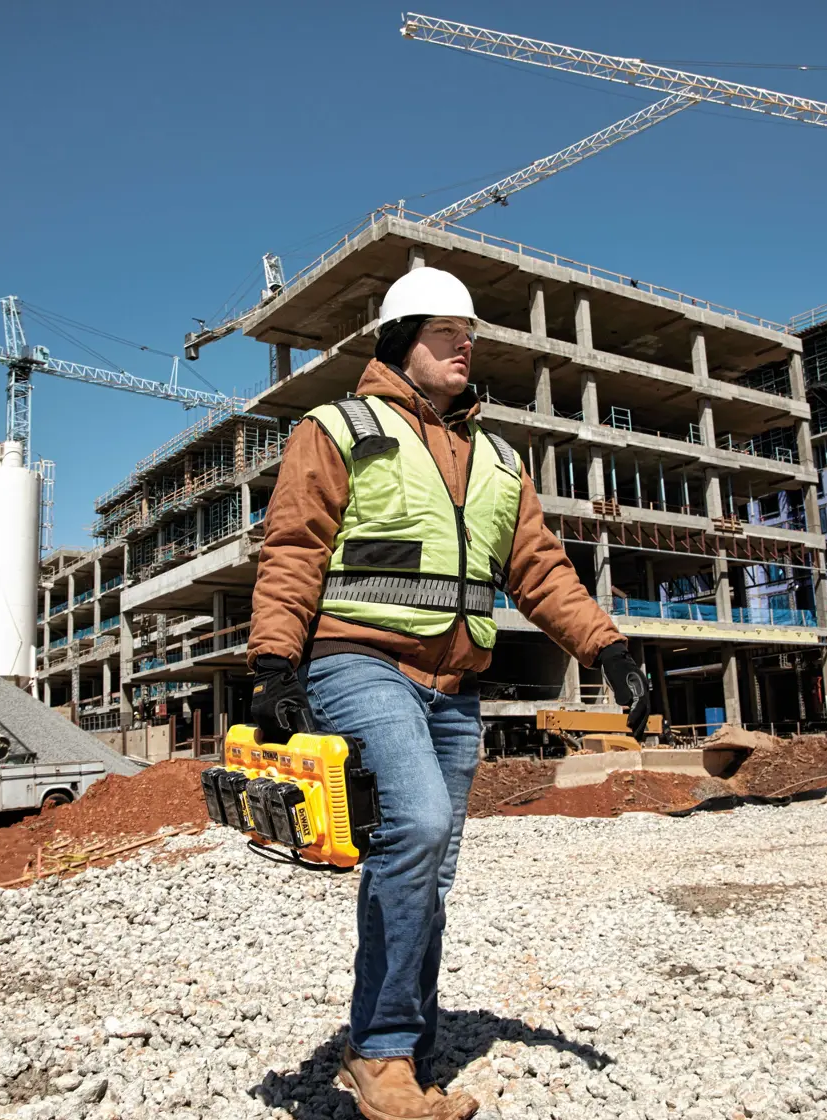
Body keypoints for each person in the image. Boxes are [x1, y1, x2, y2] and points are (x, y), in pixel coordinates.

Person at [247, 266, 650, 1120]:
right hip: (360, 663)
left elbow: (539, 569)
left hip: (455, 688)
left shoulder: (500, 458)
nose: (466, 346)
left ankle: (406, 1045)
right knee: (420, 826)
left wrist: (608, 647)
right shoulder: (339, 427)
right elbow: (293, 547)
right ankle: (383, 1052)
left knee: (432, 870)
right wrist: (275, 664)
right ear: (400, 342)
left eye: (471, 335)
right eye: (446, 333)